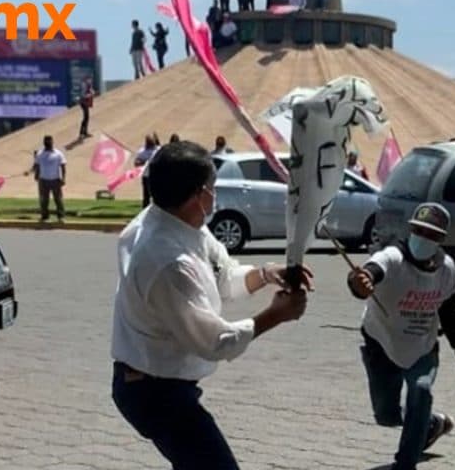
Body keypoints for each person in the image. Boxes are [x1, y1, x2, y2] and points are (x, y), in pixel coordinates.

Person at [110, 141, 312, 470]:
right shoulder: (165, 261)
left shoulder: (178, 221)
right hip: (153, 392)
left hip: (163, 384)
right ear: (200, 194)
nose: (215, 197)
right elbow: (214, 342)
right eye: (213, 189)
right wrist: (275, 315)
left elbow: (223, 277)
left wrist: (265, 274)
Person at [347, 203, 455, 470]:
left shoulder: (447, 269)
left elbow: (448, 311)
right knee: (387, 415)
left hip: (422, 348)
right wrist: (361, 281)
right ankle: (431, 424)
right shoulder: (393, 257)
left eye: (432, 235)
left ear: (441, 239)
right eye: (419, 231)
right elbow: (369, 272)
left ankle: (405, 463)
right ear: (411, 230)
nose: (423, 238)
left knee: (421, 390)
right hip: (381, 344)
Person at [33, 135, 66, 223]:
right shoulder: (40, 153)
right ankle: (44, 216)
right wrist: (35, 174)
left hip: (55, 180)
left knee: (58, 199)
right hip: (43, 180)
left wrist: (63, 178)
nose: (47, 143)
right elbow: (37, 165)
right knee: (44, 199)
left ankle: (61, 216)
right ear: (44, 142)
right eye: (46, 141)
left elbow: (63, 166)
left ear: (52, 142)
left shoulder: (58, 153)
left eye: (49, 141)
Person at [134, 135, 160, 208]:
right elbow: (136, 163)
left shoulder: (158, 150)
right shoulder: (142, 151)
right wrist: (141, 162)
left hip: (156, 176)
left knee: (156, 195)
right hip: (146, 176)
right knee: (146, 195)